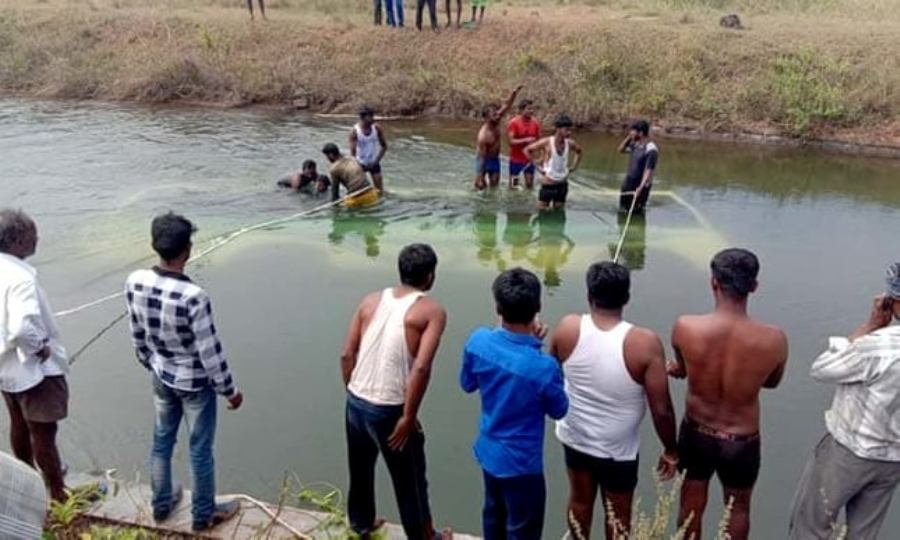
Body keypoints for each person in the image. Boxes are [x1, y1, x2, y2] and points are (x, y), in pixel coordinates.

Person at [125, 213, 243, 532]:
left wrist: (149, 361)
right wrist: (230, 390)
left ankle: (162, 504)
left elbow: (137, 332)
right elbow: (209, 351)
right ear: (188, 250)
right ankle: (204, 514)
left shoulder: (135, 281)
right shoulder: (194, 297)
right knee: (200, 449)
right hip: (195, 385)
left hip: (161, 374)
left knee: (162, 440)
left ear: (154, 244)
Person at [551, 262, 678, 539]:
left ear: (589, 295)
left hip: (575, 437)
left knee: (579, 501)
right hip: (617, 449)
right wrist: (671, 449)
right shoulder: (644, 342)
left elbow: (551, 374)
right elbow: (662, 409)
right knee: (618, 515)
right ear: (627, 297)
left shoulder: (567, 327)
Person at [667, 248, 788, 540]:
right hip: (742, 440)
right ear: (754, 286)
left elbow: (683, 368)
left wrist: (679, 370)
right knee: (738, 509)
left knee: (691, 504)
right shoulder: (774, 339)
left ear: (713, 282)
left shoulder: (686, 327)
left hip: (697, 431)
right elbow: (771, 383)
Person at [340, 244, 450, 540]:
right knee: (411, 481)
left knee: (360, 468)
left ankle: (361, 523)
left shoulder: (371, 300)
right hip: (389, 408)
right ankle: (425, 537)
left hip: (356, 401)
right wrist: (408, 416)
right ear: (430, 276)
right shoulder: (432, 311)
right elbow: (421, 368)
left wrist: (354, 393)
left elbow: (347, 354)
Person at [789, 263, 900, 540]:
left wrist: (870, 325)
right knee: (863, 535)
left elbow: (822, 368)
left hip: (850, 451)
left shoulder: (878, 346)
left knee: (812, 526)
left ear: (894, 301)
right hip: (892, 460)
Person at [460, 268, 569, 540]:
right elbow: (559, 409)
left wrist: (530, 346)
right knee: (522, 529)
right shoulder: (543, 367)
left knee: (493, 516)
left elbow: (468, 384)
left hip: (489, 452)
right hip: (522, 464)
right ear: (538, 308)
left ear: (498, 306)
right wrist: (536, 347)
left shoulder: (478, 341)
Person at [0, 209, 70, 503]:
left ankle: (25, 479)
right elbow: (21, 327)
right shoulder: (20, 278)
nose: (37, 238)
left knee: (18, 421)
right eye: (33, 234)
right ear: (17, 240)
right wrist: (39, 348)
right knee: (43, 431)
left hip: (6, 367)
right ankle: (56, 492)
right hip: (33, 371)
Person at [525, 114, 583, 210]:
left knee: (559, 215)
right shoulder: (547, 142)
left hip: (562, 185)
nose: (569, 132)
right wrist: (537, 167)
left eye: (570, 129)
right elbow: (527, 150)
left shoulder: (570, 143)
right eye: (566, 129)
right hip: (548, 185)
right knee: (542, 213)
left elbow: (579, 152)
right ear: (558, 129)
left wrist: (573, 167)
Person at [475, 85, 523, 191]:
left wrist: (514, 93)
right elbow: (482, 157)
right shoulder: (483, 136)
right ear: (487, 117)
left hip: (495, 160)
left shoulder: (496, 121)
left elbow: (506, 105)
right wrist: (480, 176)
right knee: (480, 187)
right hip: (484, 160)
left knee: (494, 188)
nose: (498, 116)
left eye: (497, 113)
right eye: (494, 115)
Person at [617, 120, 659, 214]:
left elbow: (648, 170)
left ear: (640, 133)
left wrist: (640, 187)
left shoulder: (651, 149)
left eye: (632, 131)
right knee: (622, 209)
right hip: (629, 181)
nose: (630, 133)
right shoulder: (635, 144)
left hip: (640, 185)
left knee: (636, 212)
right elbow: (621, 150)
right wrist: (629, 137)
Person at [322, 143, 380, 209]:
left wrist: (334, 208)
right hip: (371, 193)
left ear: (331, 155)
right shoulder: (352, 158)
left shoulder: (334, 168)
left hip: (356, 199)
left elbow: (335, 193)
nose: (327, 159)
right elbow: (364, 169)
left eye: (327, 156)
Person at [349, 107, 388, 193]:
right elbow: (352, 154)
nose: (372, 119)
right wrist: (356, 167)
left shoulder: (377, 128)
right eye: (369, 117)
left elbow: (384, 146)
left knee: (380, 191)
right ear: (362, 118)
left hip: (374, 162)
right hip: (360, 164)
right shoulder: (354, 132)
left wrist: (377, 161)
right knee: (360, 191)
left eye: (372, 116)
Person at [507, 100, 542, 189]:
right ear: (521, 110)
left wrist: (541, 157)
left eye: (532, 109)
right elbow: (511, 141)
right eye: (529, 109)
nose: (531, 111)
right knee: (513, 186)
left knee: (530, 185)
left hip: (529, 159)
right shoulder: (513, 123)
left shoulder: (535, 123)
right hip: (516, 159)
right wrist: (525, 140)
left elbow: (540, 141)